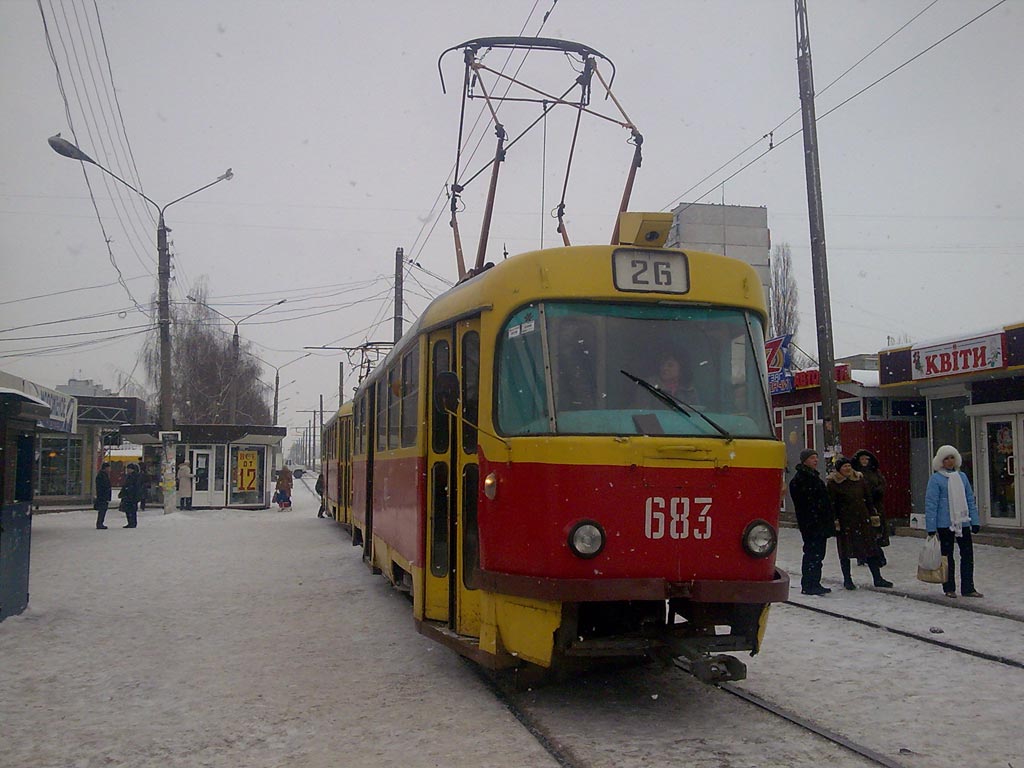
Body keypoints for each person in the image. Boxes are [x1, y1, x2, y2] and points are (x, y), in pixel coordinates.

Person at [925, 445, 983, 598]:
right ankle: (949, 587)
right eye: (946, 459)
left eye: (952, 458)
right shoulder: (936, 479)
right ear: (940, 461)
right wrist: (931, 527)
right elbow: (931, 504)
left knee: (967, 555)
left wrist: (974, 520)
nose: (949, 461)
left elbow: (969, 499)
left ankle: (968, 587)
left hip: (962, 521)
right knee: (947, 555)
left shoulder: (962, 477)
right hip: (945, 523)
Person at [826, 456, 892, 590]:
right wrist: (835, 520)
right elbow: (831, 504)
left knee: (871, 549)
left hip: (863, 520)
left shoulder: (859, 480)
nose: (847, 469)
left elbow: (868, 499)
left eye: (849, 466)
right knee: (845, 551)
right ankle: (847, 579)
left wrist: (872, 514)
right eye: (844, 466)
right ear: (839, 469)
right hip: (846, 522)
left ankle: (877, 578)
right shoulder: (834, 484)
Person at [788, 448, 834, 595]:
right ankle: (809, 584)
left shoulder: (813, 477)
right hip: (812, 523)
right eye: (812, 458)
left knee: (818, 554)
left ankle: (814, 582)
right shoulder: (801, 479)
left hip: (818, 522)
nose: (816, 460)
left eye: (816, 457)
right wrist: (817, 514)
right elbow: (806, 503)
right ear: (805, 460)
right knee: (812, 554)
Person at [852, 449, 890, 566]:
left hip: (875, 505)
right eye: (862, 459)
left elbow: (882, 484)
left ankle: (877, 555)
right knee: (863, 532)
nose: (864, 461)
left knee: (876, 531)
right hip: (860, 506)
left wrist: (877, 492)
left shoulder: (875, 472)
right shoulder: (855, 473)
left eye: (866, 459)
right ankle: (863, 556)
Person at [118, 462, 143, 528]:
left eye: (129, 469)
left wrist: (128, 490)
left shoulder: (134, 476)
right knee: (129, 510)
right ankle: (130, 522)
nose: (127, 470)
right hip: (129, 496)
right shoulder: (130, 476)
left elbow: (135, 486)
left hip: (132, 496)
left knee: (131, 510)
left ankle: (132, 523)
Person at [94, 462, 112, 530]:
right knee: (102, 510)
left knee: (103, 510)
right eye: (109, 467)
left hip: (103, 496)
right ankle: (99, 523)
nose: (110, 469)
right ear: (106, 468)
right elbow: (104, 486)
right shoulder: (102, 475)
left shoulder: (103, 475)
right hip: (103, 496)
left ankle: (100, 523)